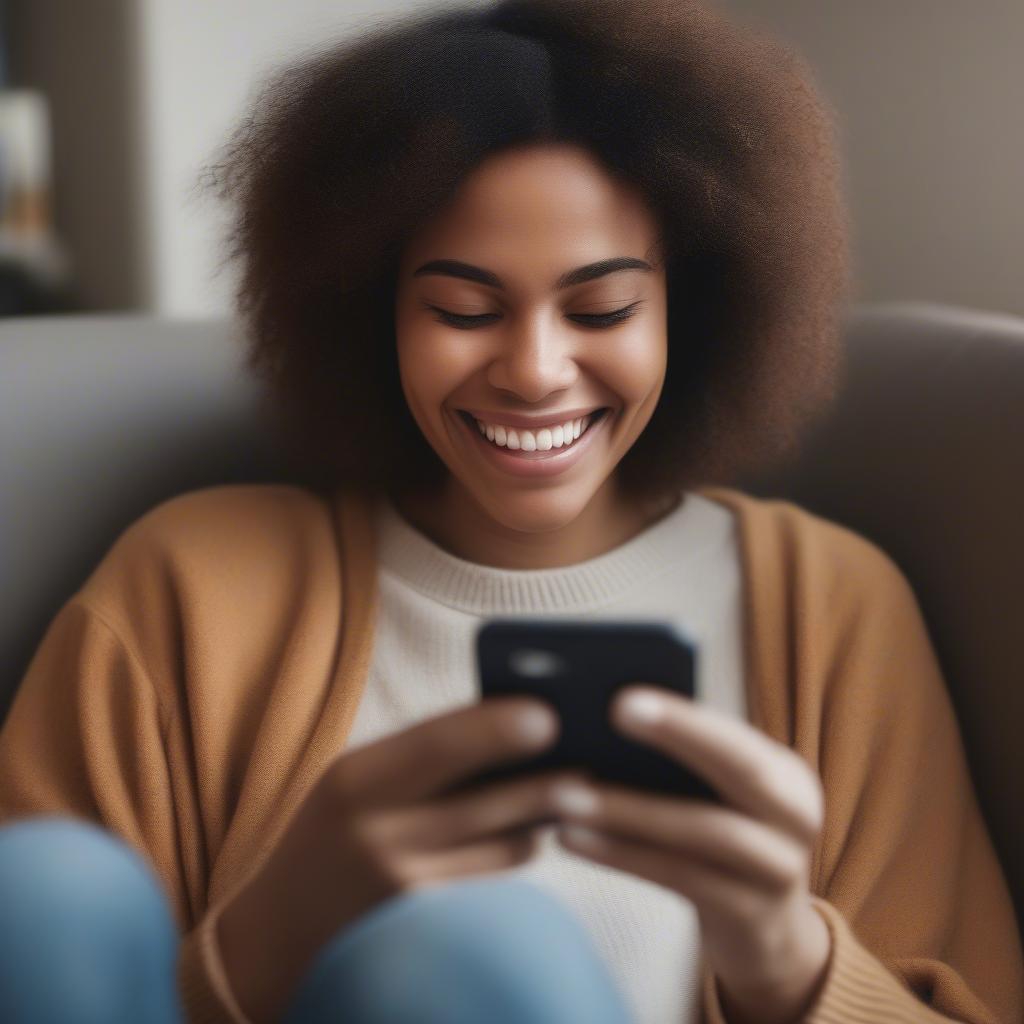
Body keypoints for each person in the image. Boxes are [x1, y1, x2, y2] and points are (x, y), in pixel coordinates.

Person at [0, 1, 1021, 1022]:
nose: (534, 372)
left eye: (602, 309)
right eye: (463, 310)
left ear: (690, 308)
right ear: (375, 313)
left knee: (466, 950)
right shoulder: (190, 584)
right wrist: (278, 923)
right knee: (44, 886)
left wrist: (783, 952)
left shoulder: (831, 608)